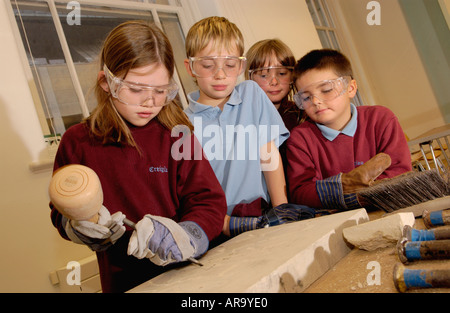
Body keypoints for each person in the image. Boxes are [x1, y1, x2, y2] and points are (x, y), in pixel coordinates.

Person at [49, 21, 227, 293]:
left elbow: (208, 201)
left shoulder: (179, 134)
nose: (150, 102)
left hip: (192, 277)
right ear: (106, 82)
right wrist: (77, 225)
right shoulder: (78, 142)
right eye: (136, 89)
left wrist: (188, 234)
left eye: (160, 91)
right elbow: (60, 210)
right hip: (127, 282)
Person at [183, 17, 315, 238]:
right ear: (191, 67)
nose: (220, 74)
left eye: (230, 65)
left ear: (241, 65)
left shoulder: (251, 94)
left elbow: (269, 155)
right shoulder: (182, 123)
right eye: (207, 65)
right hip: (217, 226)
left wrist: (281, 210)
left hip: (263, 214)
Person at [286, 49, 412, 211]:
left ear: (351, 88)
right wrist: (345, 185)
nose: (316, 101)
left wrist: (336, 192)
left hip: (388, 211)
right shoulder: (300, 139)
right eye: (306, 97)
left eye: (326, 90)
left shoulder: (381, 119)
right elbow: (302, 193)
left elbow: (400, 174)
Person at [245, 39, 305, 131]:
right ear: (250, 78)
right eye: (264, 75)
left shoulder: (302, 115)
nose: (274, 82)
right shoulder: (243, 117)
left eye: (281, 73)